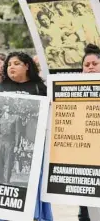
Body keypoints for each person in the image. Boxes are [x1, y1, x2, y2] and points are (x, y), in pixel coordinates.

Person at [0, 52, 53, 221]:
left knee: (34, 188)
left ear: (27, 66)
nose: (11, 66)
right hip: (4, 140)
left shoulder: (39, 88)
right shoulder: (0, 88)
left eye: (16, 63)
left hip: (34, 146)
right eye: (9, 64)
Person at [77, 44, 100, 221]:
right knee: (86, 212)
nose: (90, 67)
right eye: (87, 65)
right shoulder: (71, 91)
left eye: (94, 64)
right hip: (86, 162)